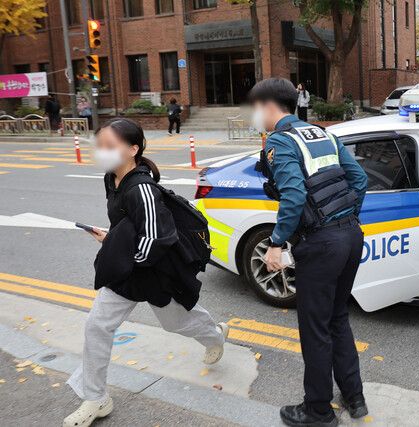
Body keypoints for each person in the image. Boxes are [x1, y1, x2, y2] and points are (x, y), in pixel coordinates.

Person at [63, 118, 228, 427]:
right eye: (100, 145)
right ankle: (96, 398)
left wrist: (126, 258)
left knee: (176, 322)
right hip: (127, 271)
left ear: (133, 150)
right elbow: (126, 225)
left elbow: (158, 237)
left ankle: (215, 335)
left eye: (110, 146)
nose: (102, 151)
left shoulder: (142, 189)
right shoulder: (111, 179)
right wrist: (111, 239)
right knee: (97, 326)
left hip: (154, 270)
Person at [249, 78, 368, 427]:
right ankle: (354, 397)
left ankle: (317, 410)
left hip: (321, 244)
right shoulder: (322, 133)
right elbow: (359, 179)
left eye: (256, 107)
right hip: (351, 236)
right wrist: (343, 217)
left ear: (269, 105)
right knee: (337, 318)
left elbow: (294, 195)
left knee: (315, 329)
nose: (255, 115)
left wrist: (276, 242)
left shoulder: (280, 141)